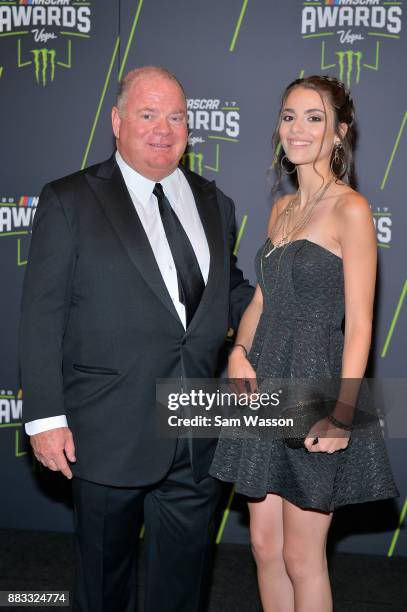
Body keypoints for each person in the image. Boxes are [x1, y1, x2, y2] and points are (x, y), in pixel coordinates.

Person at [19, 65, 253, 612]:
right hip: (104, 431)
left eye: (175, 117)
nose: (163, 129)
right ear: (117, 122)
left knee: (183, 584)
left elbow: (228, 291)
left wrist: (290, 310)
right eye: (148, 115)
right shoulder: (69, 199)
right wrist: (46, 419)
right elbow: (41, 315)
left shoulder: (214, 202)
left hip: (195, 429)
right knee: (103, 585)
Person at [210, 75, 398, 612]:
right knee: (266, 548)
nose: (298, 128)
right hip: (265, 382)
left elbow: (361, 324)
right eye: (289, 115)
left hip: (316, 382)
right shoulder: (281, 210)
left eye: (314, 117)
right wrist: (239, 351)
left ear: (339, 133)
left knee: (302, 555)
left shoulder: (351, 210)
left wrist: (343, 415)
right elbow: (262, 303)